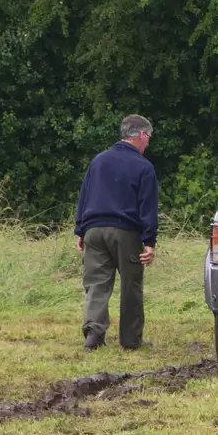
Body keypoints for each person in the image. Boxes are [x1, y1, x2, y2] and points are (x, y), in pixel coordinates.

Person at [74, 115, 158, 350]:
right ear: (141, 135)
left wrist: (81, 229)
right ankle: (131, 340)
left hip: (93, 230)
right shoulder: (144, 166)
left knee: (96, 283)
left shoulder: (98, 161)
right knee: (131, 284)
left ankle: (93, 334)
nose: (148, 143)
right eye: (148, 137)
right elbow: (147, 206)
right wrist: (149, 241)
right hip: (125, 232)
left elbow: (85, 195)